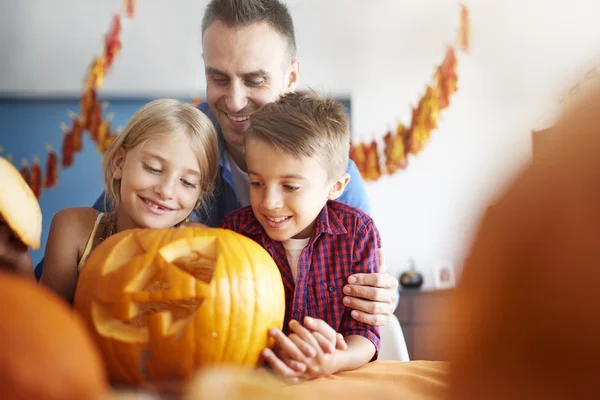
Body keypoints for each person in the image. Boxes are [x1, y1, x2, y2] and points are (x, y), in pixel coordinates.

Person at [35, 0, 398, 325]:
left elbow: (361, 275)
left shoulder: (326, 170)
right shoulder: (182, 144)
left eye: (255, 80)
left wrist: (379, 296)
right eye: (219, 78)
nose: (236, 101)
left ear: (290, 77)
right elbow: (106, 239)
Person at [221, 91, 380, 381]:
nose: (269, 202)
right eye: (257, 182)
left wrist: (334, 359)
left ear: (335, 186)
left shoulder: (358, 233)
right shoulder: (234, 234)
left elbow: (366, 333)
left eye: (290, 187)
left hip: (331, 383)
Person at [38, 98, 219, 303]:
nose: (166, 191)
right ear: (119, 163)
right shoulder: (74, 229)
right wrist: (18, 263)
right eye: (153, 168)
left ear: (199, 195)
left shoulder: (200, 244)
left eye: (187, 182)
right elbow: (46, 320)